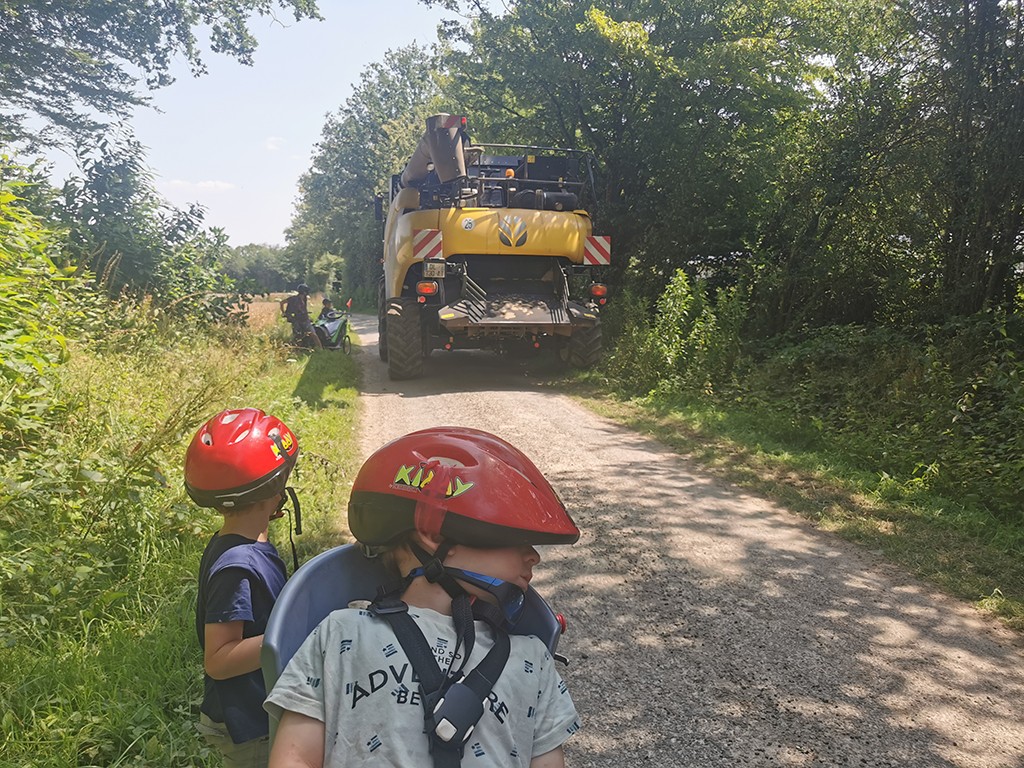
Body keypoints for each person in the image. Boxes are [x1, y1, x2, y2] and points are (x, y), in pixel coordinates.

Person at [265, 427, 581, 768]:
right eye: (514, 538)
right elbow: (294, 759)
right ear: (434, 534)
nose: (533, 556)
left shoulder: (533, 657)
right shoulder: (341, 634)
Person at [186, 408, 301, 768]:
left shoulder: (241, 541)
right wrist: (298, 629)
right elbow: (218, 661)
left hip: (257, 711)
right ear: (273, 489)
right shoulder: (237, 566)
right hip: (249, 725)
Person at [280, 284, 322, 349]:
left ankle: (320, 348)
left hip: (305, 319)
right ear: (304, 292)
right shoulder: (293, 299)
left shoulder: (305, 299)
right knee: (298, 336)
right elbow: (282, 302)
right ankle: (298, 349)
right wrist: (284, 313)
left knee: (313, 334)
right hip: (297, 319)